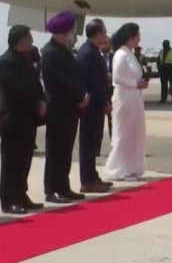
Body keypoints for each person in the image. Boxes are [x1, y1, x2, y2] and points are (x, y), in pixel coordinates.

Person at [0, 25, 46, 214]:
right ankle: (9, 200)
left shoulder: (26, 58)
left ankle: (22, 194)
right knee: (11, 161)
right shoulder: (7, 62)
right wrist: (36, 103)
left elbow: (35, 82)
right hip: (12, 118)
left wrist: (42, 100)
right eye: (29, 38)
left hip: (27, 117)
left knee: (25, 159)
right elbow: (17, 89)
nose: (32, 42)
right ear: (21, 40)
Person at [40, 10, 89, 203]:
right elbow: (58, 81)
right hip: (58, 107)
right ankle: (52, 189)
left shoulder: (65, 51)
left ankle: (64, 185)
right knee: (56, 150)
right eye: (72, 28)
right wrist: (80, 94)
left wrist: (82, 94)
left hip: (70, 108)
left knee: (66, 149)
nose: (74, 31)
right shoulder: (50, 52)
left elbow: (75, 77)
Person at [105, 23, 150, 180]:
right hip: (124, 98)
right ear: (131, 36)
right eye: (138, 35)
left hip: (134, 98)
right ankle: (119, 169)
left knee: (134, 133)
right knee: (123, 133)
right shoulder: (120, 55)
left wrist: (139, 83)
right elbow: (116, 78)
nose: (140, 39)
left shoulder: (130, 54)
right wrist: (135, 84)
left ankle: (131, 167)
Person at [77, 19, 114, 193]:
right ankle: (87, 180)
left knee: (94, 143)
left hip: (97, 104)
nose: (106, 35)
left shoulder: (94, 51)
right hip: (91, 106)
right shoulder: (87, 54)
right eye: (104, 32)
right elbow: (92, 83)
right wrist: (103, 101)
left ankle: (92, 175)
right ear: (97, 34)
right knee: (88, 143)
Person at [29, 45, 42, 153]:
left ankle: (32, 142)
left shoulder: (33, 50)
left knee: (32, 122)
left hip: (33, 88)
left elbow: (39, 63)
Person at [157, 40, 172, 104]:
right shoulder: (161, 52)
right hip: (163, 70)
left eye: (165, 44)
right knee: (163, 85)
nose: (164, 46)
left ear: (168, 44)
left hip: (171, 69)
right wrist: (159, 68)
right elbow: (158, 61)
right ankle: (163, 99)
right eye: (163, 44)